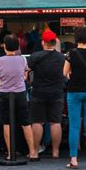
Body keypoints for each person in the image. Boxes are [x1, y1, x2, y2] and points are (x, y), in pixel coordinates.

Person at [0, 34, 38, 161]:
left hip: (5, 93)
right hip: (20, 93)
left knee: (6, 123)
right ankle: (33, 152)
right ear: (18, 46)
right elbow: (25, 76)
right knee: (25, 123)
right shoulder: (23, 59)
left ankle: (10, 152)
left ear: (4, 47)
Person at [63, 26, 86, 169]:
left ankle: (74, 159)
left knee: (74, 126)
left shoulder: (71, 53)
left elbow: (64, 72)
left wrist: (71, 72)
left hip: (74, 91)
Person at [27, 29, 66, 159]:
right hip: (57, 93)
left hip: (39, 92)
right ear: (55, 43)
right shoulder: (62, 57)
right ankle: (55, 152)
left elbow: (27, 71)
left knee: (37, 122)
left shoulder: (35, 56)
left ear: (43, 42)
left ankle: (35, 151)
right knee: (55, 123)